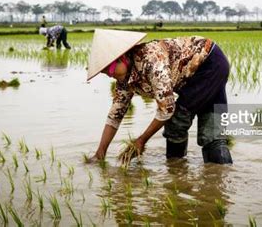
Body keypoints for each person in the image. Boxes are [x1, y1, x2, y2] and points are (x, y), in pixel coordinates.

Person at [86, 29, 233, 164]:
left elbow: (167, 109)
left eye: (110, 69)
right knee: (213, 132)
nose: (111, 75)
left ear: (122, 58)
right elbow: (115, 116)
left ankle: (176, 172)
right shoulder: (124, 80)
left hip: (210, 64)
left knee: (176, 123)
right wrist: (101, 152)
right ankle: (218, 177)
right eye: (106, 74)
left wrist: (141, 141)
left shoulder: (151, 61)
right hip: (200, 71)